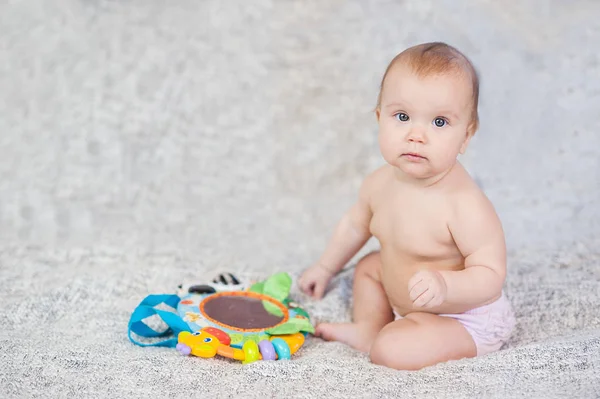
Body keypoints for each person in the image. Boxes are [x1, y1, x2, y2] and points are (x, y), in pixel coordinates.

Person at [299, 42, 516, 370]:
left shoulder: (464, 204)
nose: (416, 135)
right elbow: (355, 225)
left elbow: (490, 275)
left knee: (391, 350)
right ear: (379, 118)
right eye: (402, 117)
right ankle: (369, 326)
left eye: (439, 122)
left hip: (461, 316)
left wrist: (446, 286)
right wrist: (326, 267)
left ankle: (388, 337)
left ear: (466, 136)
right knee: (369, 268)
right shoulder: (379, 183)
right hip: (412, 301)